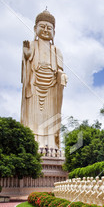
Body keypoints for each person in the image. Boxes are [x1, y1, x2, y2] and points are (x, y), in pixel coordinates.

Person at [21, 9, 68, 149]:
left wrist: (62, 76)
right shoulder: (32, 45)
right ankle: (31, 144)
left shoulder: (56, 51)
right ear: (35, 29)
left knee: (50, 118)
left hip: (51, 89)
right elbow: (26, 65)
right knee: (32, 118)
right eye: (42, 26)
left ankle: (50, 145)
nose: (46, 30)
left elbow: (60, 70)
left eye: (50, 28)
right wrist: (26, 54)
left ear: (54, 32)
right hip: (34, 85)